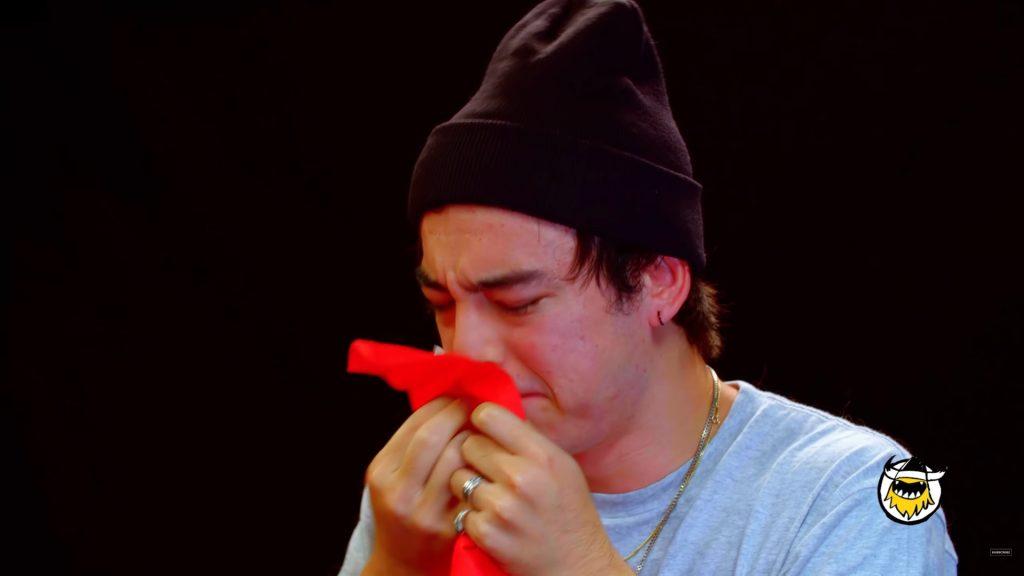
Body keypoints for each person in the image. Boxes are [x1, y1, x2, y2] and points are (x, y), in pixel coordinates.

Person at [339, 0, 958, 574]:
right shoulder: (431, 486)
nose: (467, 352)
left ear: (659, 281)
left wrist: (581, 564)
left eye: (517, 303)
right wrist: (398, 563)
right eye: (443, 304)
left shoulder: (854, 494)